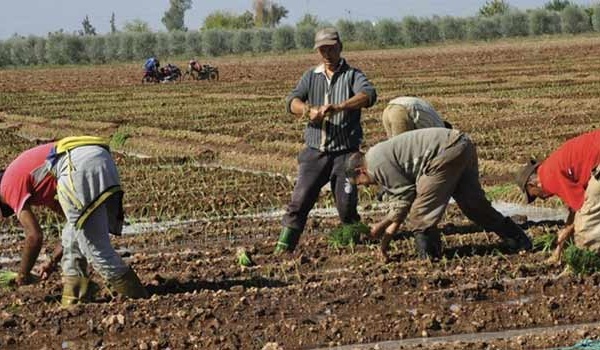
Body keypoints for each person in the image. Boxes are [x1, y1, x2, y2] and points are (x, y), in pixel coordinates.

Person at [0, 136, 148, 305]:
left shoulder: (7, 186)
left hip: (76, 165)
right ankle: (75, 296)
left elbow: (34, 237)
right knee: (75, 234)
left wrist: (22, 274)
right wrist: (52, 261)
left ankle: (138, 299)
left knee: (96, 248)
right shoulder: (35, 182)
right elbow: (73, 224)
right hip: (96, 156)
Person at [345, 128, 532, 261]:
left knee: (420, 213)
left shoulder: (376, 164)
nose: (366, 186)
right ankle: (518, 239)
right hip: (461, 143)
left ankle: (429, 256)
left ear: (361, 171)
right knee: (473, 205)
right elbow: (399, 208)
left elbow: (404, 201)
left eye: (361, 183)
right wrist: (384, 243)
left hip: (446, 152)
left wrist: (380, 227)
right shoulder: (376, 157)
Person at [275, 27, 377, 253]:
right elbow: (292, 100)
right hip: (315, 153)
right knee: (299, 202)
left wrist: (340, 106)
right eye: (322, 49)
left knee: (347, 206)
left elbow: (368, 95)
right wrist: (307, 110)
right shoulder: (311, 76)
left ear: (339, 47)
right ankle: (283, 249)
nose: (327, 54)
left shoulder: (352, 75)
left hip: (346, 154)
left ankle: (354, 247)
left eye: (331, 48)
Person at [516, 129, 600, 262]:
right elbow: (574, 207)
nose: (541, 199)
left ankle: (590, 263)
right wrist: (559, 249)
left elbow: (581, 207)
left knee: (585, 228)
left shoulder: (549, 177)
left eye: (534, 196)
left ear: (533, 184)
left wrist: (567, 232)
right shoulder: (550, 167)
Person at [382, 96, 452, 138]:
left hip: (389, 108)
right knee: (402, 149)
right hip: (402, 111)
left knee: (392, 146)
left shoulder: (435, 119)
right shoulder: (440, 130)